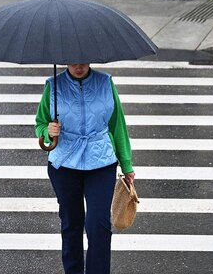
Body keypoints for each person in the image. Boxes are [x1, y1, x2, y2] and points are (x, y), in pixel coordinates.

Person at [35, 64, 134, 274]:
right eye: (73, 61)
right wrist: (48, 130)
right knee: (71, 223)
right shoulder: (53, 85)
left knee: (98, 225)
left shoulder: (105, 82)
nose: (78, 66)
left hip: (102, 162)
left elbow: (118, 125)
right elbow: (40, 123)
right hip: (64, 164)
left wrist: (127, 165)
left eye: (83, 60)